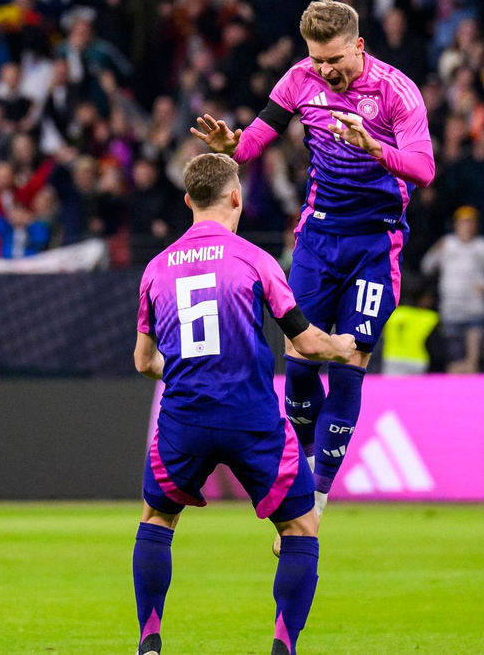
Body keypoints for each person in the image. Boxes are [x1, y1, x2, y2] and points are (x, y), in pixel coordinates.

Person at [190, 0, 435, 512]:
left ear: (359, 47)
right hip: (318, 238)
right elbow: (255, 142)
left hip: (375, 240)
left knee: (350, 356)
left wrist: (374, 148)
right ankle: (302, 468)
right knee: (299, 360)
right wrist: (229, 145)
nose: (326, 70)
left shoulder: (396, 92)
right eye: (318, 60)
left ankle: (316, 501)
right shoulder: (299, 79)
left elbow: (423, 168)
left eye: (336, 60)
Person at [132, 154, 355, 655]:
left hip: (183, 419)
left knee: (156, 520)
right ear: (236, 197)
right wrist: (345, 346)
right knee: (301, 528)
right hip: (251, 421)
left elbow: (144, 360)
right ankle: (283, 645)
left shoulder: (155, 269)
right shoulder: (256, 260)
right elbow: (307, 343)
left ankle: (149, 638)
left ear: (188, 201)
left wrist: (191, 367)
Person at [421, 206, 484, 334]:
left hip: (477, 310)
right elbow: (426, 267)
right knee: (453, 351)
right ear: (456, 225)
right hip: (451, 310)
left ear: (476, 225)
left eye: (470, 222)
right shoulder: (446, 244)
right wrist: (435, 250)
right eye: (463, 222)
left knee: (476, 352)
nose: (467, 227)